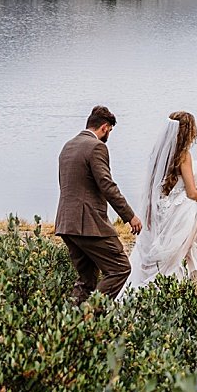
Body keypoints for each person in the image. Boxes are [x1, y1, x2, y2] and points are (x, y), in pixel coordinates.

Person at [120, 110, 197, 294]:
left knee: (161, 253)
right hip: (180, 213)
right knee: (174, 257)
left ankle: (157, 290)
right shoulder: (184, 155)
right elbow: (192, 192)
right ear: (189, 131)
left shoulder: (158, 153)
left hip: (161, 209)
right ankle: (168, 292)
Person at [55, 105, 142, 302]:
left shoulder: (68, 146)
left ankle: (70, 324)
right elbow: (107, 186)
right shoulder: (97, 147)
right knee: (120, 268)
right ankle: (91, 314)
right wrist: (130, 216)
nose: (108, 136)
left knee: (86, 281)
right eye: (109, 131)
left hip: (66, 223)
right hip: (88, 224)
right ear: (104, 127)